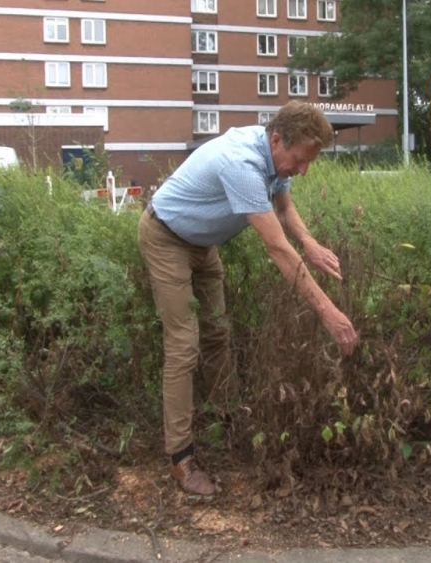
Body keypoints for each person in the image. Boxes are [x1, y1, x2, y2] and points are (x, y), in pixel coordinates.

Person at [137, 100, 358, 496]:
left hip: (204, 245)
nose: (303, 170)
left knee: (218, 334)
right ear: (277, 140)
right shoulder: (241, 163)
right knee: (184, 346)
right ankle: (181, 459)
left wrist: (308, 242)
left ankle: (228, 419)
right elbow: (277, 248)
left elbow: (284, 207)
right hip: (166, 237)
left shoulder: (276, 159)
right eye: (300, 160)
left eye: (309, 163)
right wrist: (328, 313)